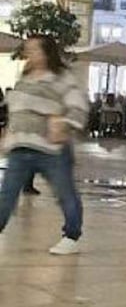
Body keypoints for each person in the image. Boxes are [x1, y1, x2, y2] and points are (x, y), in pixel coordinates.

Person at [0, 36, 88, 255]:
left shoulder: (62, 78)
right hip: (21, 146)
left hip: (51, 148)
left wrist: (65, 124)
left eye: (34, 50)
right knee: (7, 193)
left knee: (64, 193)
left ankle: (72, 235)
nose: (29, 54)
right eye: (27, 50)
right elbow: (15, 109)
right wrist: (8, 134)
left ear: (47, 52)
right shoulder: (25, 77)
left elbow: (78, 107)